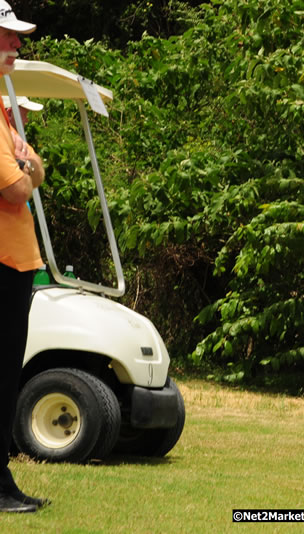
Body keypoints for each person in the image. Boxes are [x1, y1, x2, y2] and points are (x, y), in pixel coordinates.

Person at [0, 2, 49, 513]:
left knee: (7, 377)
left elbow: (36, 168)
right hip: (2, 264)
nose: (17, 44)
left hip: (13, 264)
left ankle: (2, 479)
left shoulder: (1, 111)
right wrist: (25, 169)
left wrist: (26, 166)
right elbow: (16, 187)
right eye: (7, 36)